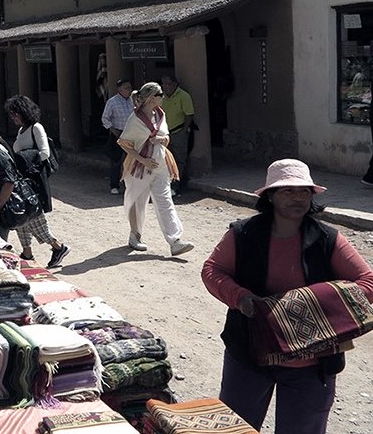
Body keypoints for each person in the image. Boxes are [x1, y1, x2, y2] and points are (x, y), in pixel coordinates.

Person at [201, 158, 373, 434]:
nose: (298, 198)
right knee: (234, 429)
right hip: (249, 352)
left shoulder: (327, 239)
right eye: (288, 191)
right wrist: (241, 298)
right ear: (270, 196)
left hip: (313, 364)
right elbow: (213, 270)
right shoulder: (243, 234)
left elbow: (368, 281)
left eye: (304, 191)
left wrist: (318, 305)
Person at [118, 81, 194, 256]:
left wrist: (162, 140)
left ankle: (175, 241)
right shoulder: (135, 119)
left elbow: (166, 137)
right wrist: (142, 160)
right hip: (139, 167)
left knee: (165, 201)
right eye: (160, 95)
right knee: (137, 201)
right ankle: (135, 236)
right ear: (152, 98)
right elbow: (124, 143)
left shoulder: (160, 115)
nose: (163, 97)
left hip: (160, 164)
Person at [4, 96, 70, 267]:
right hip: (22, 180)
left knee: (34, 216)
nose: (14, 118)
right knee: (21, 214)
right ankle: (27, 252)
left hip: (34, 181)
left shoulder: (36, 128)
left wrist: (25, 159)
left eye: (15, 114)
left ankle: (57, 246)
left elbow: (44, 153)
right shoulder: (21, 131)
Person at [161, 75, 194, 197]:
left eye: (168, 84)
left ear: (175, 84)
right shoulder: (162, 97)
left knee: (179, 161)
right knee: (165, 161)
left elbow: (189, 114)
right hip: (164, 133)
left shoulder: (184, 96)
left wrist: (184, 130)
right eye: (163, 84)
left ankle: (177, 187)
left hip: (178, 132)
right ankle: (167, 186)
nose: (165, 86)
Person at [101, 79, 134, 195]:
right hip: (118, 134)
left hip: (132, 134)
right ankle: (114, 185)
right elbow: (105, 118)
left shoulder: (132, 100)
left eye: (130, 87)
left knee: (131, 160)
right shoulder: (112, 102)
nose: (129, 90)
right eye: (127, 88)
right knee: (116, 161)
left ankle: (129, 185)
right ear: (120, 89)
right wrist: (113, 130)